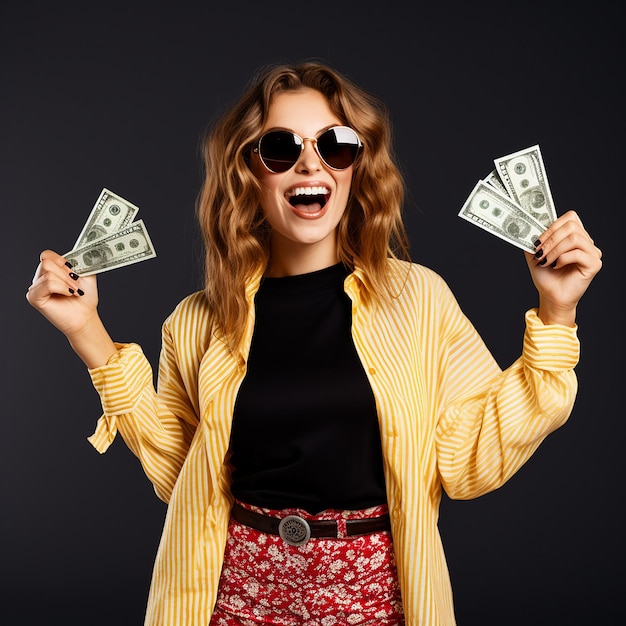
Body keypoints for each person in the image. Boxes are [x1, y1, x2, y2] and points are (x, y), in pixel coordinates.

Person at [26, 61, 602, 625]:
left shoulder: (419, 298)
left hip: (374, 601)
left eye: (336, 145)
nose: (311, 164)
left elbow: (468, 462)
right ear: (250, 171)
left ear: (357, 166)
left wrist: (558, 310)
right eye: (281, 147)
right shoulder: (197, 321)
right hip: (236, 598)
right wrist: (86, 331)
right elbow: (184, 481)